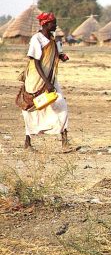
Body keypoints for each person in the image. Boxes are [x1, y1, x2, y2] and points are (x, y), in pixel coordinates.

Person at [20, 12, 71, 151]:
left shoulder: (52, 39)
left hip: (51, 79)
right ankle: (27, 142)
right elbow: (36, 62)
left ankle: (65, 141)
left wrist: (61, 56)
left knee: (61, 105)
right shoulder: (36, 39)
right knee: (31, 109)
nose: (56, 25)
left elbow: (56, 53)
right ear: (46, 24)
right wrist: (46, 83)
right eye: (53, 23)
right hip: (36, 80)